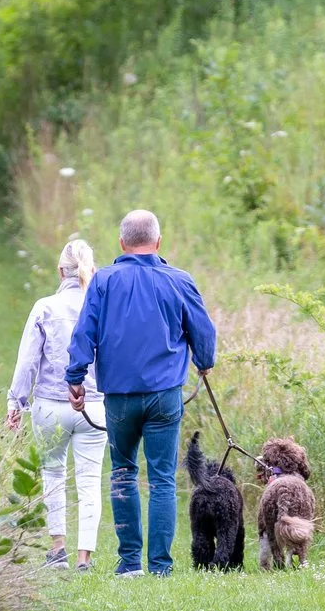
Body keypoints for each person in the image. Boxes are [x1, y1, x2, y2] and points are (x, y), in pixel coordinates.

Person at [65, 208, 217, 576]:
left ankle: (130, 563)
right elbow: (204, 332)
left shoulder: (103, 282)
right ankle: (160, 567)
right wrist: (204, 360)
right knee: (163, 478)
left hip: (118, 397)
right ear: (158, 241)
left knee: (123, 472)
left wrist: (75, 377)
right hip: (165, 394)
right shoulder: (179, 280)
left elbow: (84, 332)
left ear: (121, 243)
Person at [7, 238, 105, 571]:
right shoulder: (101, 307)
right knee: (90, 479)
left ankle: (57, 548)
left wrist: (16, 401)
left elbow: (27, 361)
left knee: (52, 472)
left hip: (50, 402)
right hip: (93, 404)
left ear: (59, 270)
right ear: (91, 270)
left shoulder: (44, 307)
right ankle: (84, 557)